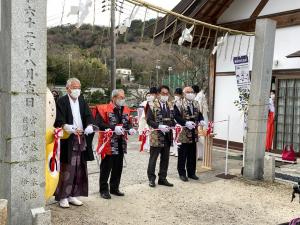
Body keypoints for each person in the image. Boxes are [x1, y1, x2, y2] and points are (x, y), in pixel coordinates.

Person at [54, 78, 95, 208]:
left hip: (81, 138)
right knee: (67, 168)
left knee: (79, 167)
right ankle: (62, 196)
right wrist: (67, 126)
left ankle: (73, 195)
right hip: (69, 138)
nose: (77, 90)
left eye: (79, 87)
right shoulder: (61, 101)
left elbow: (88, 116)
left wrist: (89, 125)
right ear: (68, 88)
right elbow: (58, 119)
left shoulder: (82, 101)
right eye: (75, 87)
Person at [95, 89, 136, 199]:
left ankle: (114, 187)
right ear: (114, 98)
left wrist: (131, 129)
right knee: (106, 167)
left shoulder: (126, 109)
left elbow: (128, 123)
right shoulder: (103, 108)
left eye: (123, 97)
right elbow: (99, 124)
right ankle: (103, 189)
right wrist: (113, 128)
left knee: (118, 166)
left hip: (121, 142)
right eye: (120, 97)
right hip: (108, 143)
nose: (123, 99)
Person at [174, 86, 205, 182]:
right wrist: (185, 123)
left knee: (192, 154)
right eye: (188, 92)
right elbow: (176, 116)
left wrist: (201, 120)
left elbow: (199, 114)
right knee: (183, 154)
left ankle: (191, 173)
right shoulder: (179, 103)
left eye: (192, 92)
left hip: (193, 132)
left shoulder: (196, 103)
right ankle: (182, 173)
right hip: (183, 132)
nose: (190, 93)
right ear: (184, 93)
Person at [146, 85, 175, 188]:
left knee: (165, 158)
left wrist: (174, 125)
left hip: (167, 135)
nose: (165, 95)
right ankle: (151, 179)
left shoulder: (170, 105)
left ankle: (162, 178)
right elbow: (149, 120)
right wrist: (159, 126)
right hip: (156, 136)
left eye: (167, 94)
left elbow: (173, 119)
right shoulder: (152, 104)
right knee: (153, 158)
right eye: (163, 93)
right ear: (158, 94)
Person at [138, 87, 158, 152]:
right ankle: (148, 146)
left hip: (155, 121)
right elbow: (141, 112)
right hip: (147, 120)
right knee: (147, 133)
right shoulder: (145, 102)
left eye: (153, 94)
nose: (152, 95)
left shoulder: (158, 102)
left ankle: (152, 146)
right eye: (150, 94)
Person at [192, 85, 209, 160]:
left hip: (200, 118)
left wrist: (198, 119)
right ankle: (200, 154)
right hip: (202, 117)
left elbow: (200, 109)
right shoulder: (200, 95)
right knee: (199, 137)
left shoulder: (199, 96)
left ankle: (203, 154)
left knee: (201, 136)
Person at [170, 87, 183, 157]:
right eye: (176, 94)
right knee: (174, 136)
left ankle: (178, 151)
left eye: (178, 95)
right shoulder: (173, 102)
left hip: (180, 122)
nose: (177, 96)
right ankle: (174, 150)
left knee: (178, 137)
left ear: (181, 95)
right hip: (173, 121)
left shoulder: (182, 102)